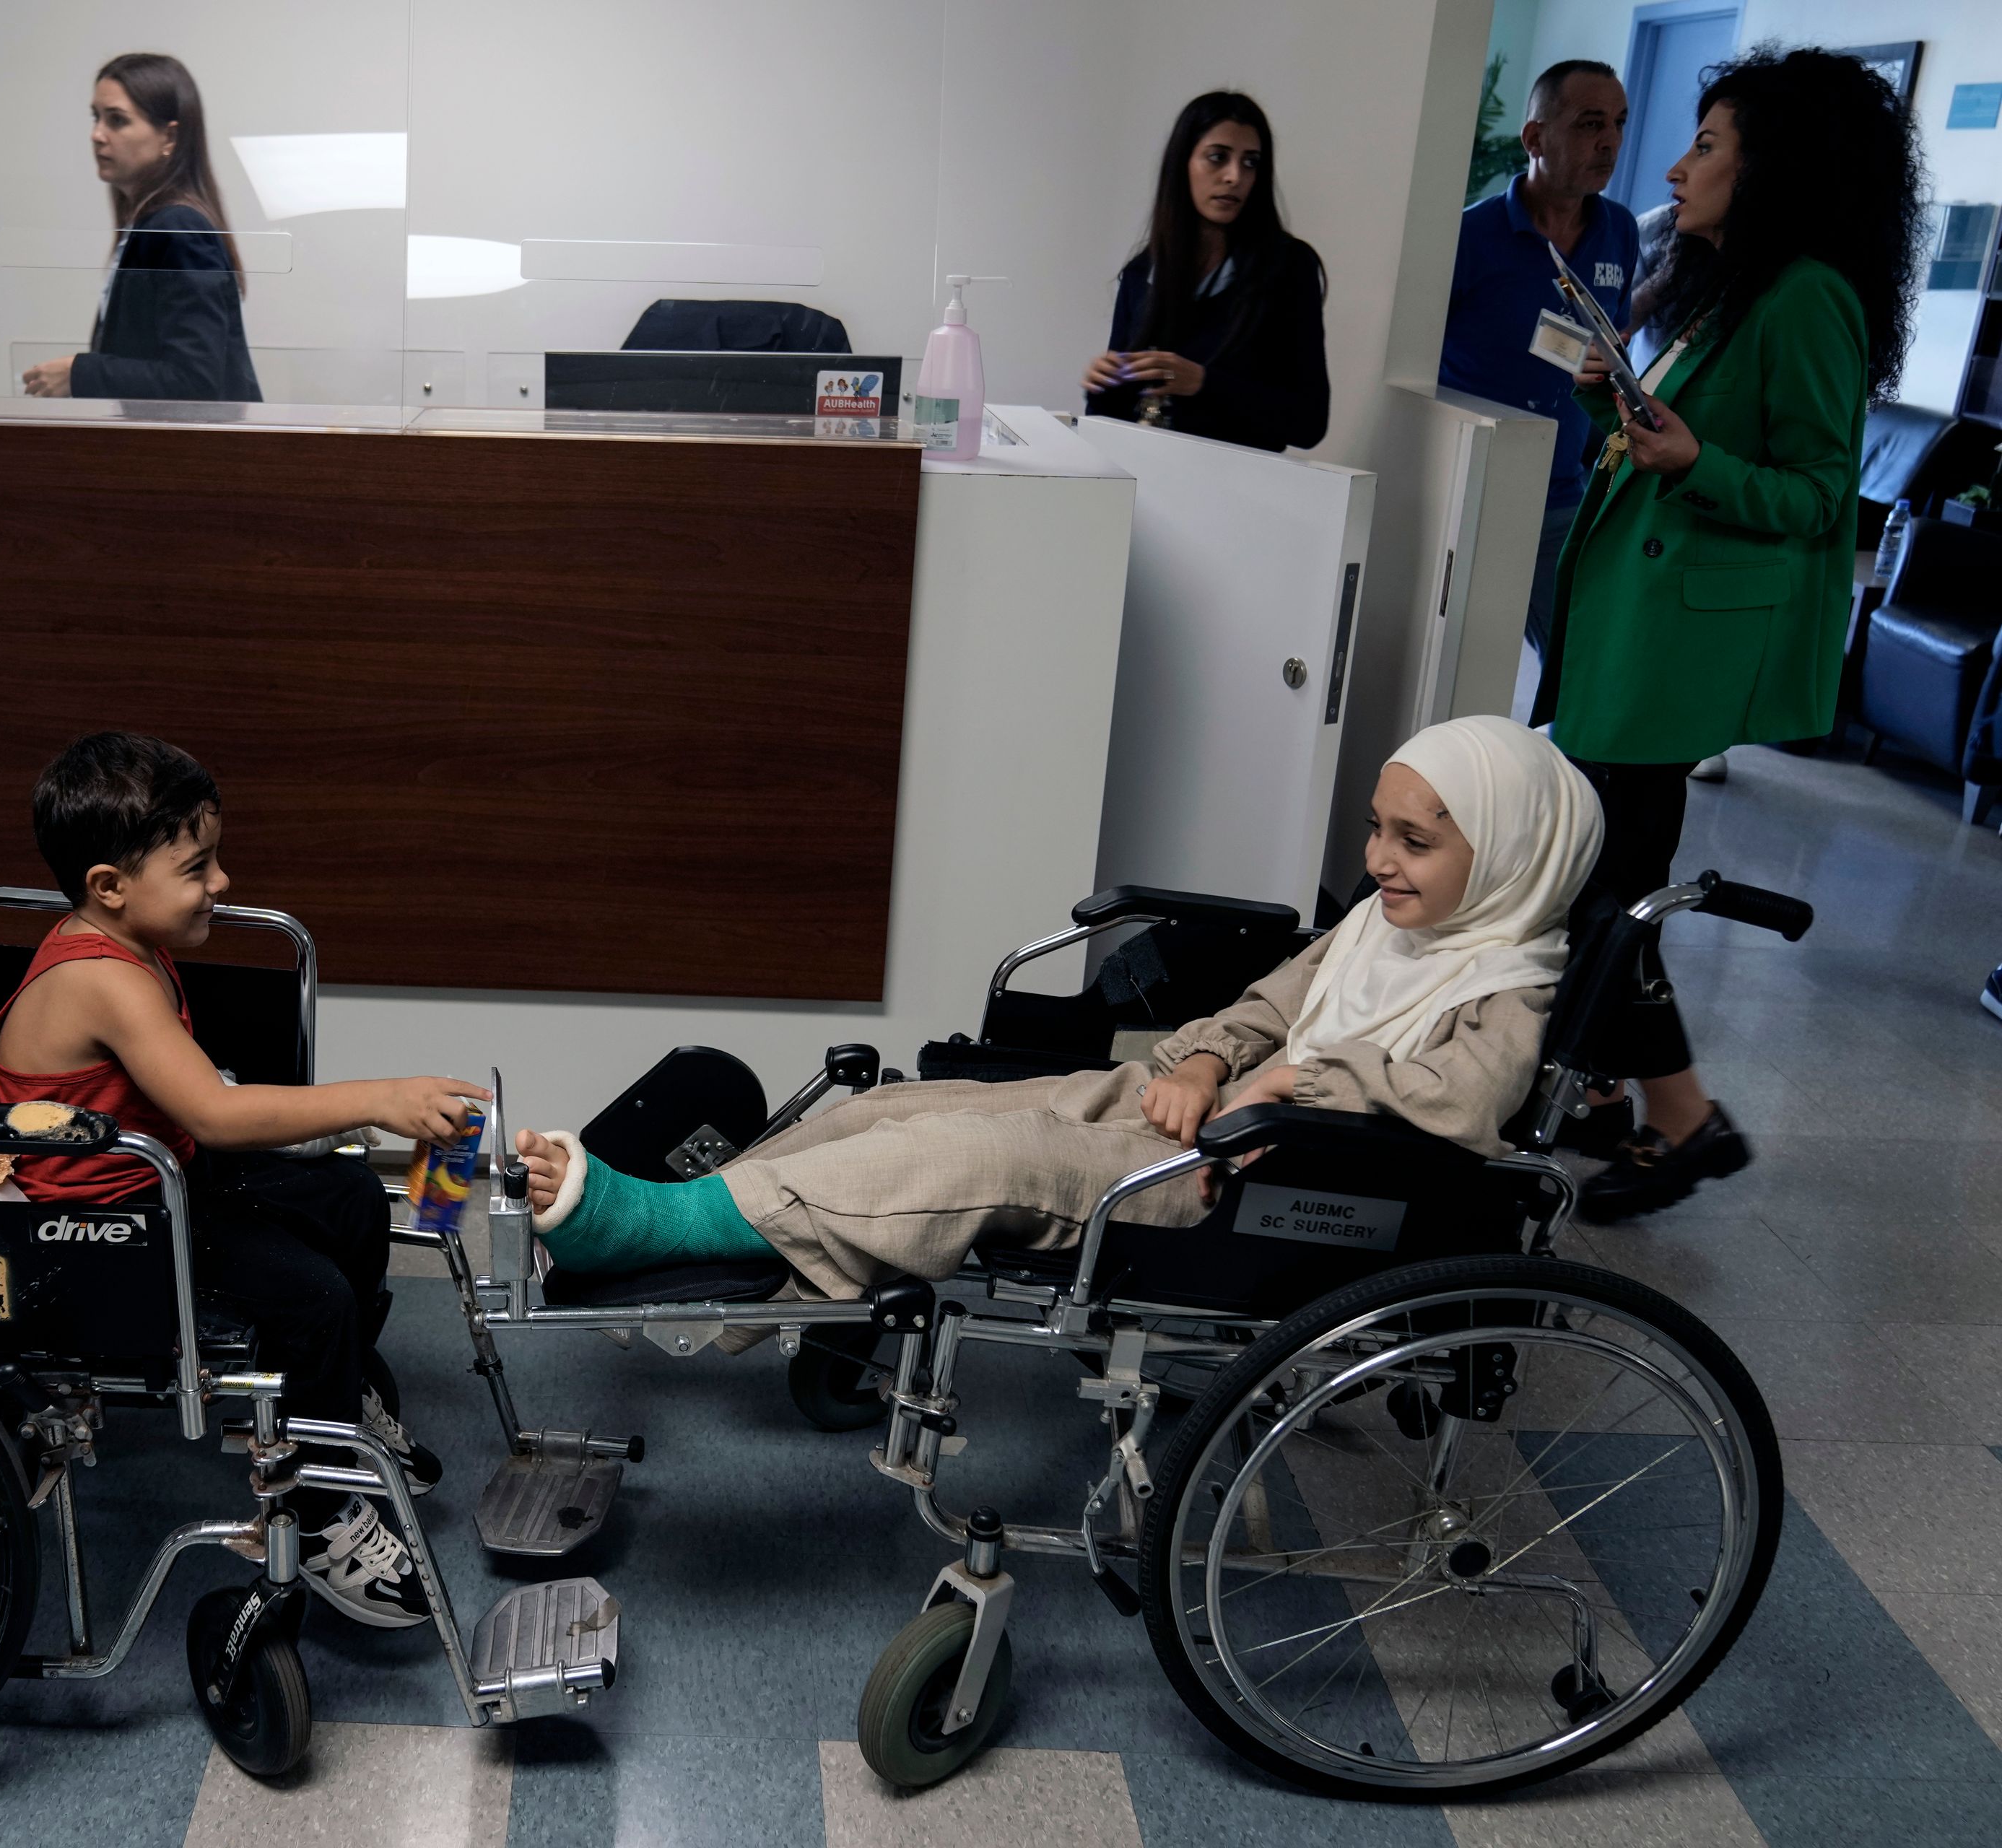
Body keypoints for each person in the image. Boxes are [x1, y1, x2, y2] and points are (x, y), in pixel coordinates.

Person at [509, 717, 1601, 1299]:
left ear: (1507, 856)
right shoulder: (1382, 927)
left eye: (1416, 842)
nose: (1377, 862)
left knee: (983, 1165)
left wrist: (1292, 1089)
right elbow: (1271, 1002)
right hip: (1191, 1116)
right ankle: (700, 1227)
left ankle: (646, 1228)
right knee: (909, 1109)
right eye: (1377, 830)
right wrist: (1212, 1065)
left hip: (1254, 1185)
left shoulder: (1505, 982)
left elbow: (1463, 1108)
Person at [1533, 47, 1926, 1221]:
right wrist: (1620, 398)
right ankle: (1602, 1100)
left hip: (1675, 656)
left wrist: (1693, 458)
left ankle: (1688, 1119)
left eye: (1705, 144)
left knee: (1612, 893)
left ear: (1774, 166)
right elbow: (1680, 441)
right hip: (1632, 633)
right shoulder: (1733, 288)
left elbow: (1819, 497)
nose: (1674, 164)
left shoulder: (1808, 296)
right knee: (1597, 874)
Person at [0, 731, 485, 1626]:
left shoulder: (126, 943)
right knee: (313, 1298)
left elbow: (188, 1088)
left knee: (354, 1199)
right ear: (111, 887)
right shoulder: (102, 981)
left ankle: (333, 1401)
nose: (221, 882)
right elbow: (214, 1117)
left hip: (163, 1177)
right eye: (198, 866)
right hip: (106, 1228)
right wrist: (377, 1097)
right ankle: (318, 1513)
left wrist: (329, 1124)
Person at [1437, 60, 1638, 667]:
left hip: (1559, 488)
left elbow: (1609, 339)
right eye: (1589, 124)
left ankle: (1586, 765)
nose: (1609, 141)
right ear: (1534, 139)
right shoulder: (1468, 237)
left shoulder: (1621, 231)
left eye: (1619, 124)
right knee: (1460, 666)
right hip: (1472, 486)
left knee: (1581, 660)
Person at [1082, 92, 1329, 453]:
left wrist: (1203, 383)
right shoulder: (1142, 272)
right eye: (1218, 158)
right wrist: (1103, 385)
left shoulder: (1289, 267)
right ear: (1183, 163)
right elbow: (1114, 422)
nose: (1234, 177)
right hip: (1148, 481)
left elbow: (1309, 423)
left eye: (1251, 163)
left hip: (1242, 493)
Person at [20, 53, 261, 404]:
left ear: (169, 138)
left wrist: (79, 373)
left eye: (117, 120)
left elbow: (194, 379)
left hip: (196, 454)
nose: (97, 135)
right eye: (96, 117)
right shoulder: (150, 224)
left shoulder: (178, 227)